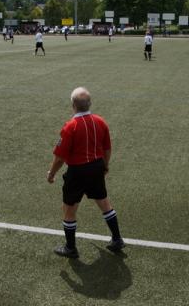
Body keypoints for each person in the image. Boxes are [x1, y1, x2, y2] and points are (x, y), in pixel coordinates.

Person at [47, 87, 124, 258]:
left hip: (78, 172)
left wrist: (51, 173)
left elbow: (60, 157)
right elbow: (107, 149)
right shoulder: (100, 121)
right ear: (90, 104)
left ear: (73, 105)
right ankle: (117, 239)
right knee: (104, 203)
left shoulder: (70, 126)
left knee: (69, 209)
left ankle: (70, 248)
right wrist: (105, 165)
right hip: (96, 167)